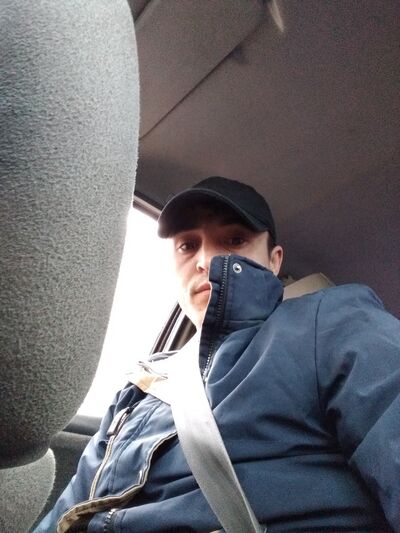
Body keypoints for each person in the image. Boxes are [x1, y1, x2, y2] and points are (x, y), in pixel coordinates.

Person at [35, 176, 399, 532]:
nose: (206, 259)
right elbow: (71, 510)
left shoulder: (334, 322)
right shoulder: (142, 386)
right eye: (187, 246)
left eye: (235, 239)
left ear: (274, 261)